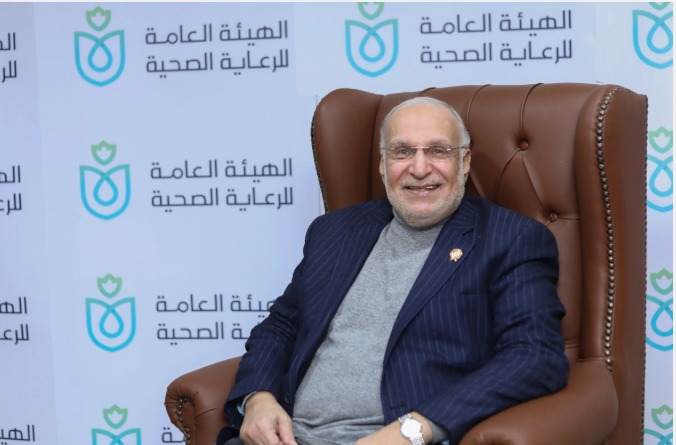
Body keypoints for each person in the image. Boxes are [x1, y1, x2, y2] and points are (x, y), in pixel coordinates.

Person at [218, 96, 569, 445]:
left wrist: (414, 429)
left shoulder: (510, 238)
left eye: (438, 151)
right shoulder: (335, 231)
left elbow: (534, 355)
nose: (419, 169)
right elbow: (281, 325)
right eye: (402, 152)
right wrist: (258, 399)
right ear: (383, 164)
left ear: (464, 162)